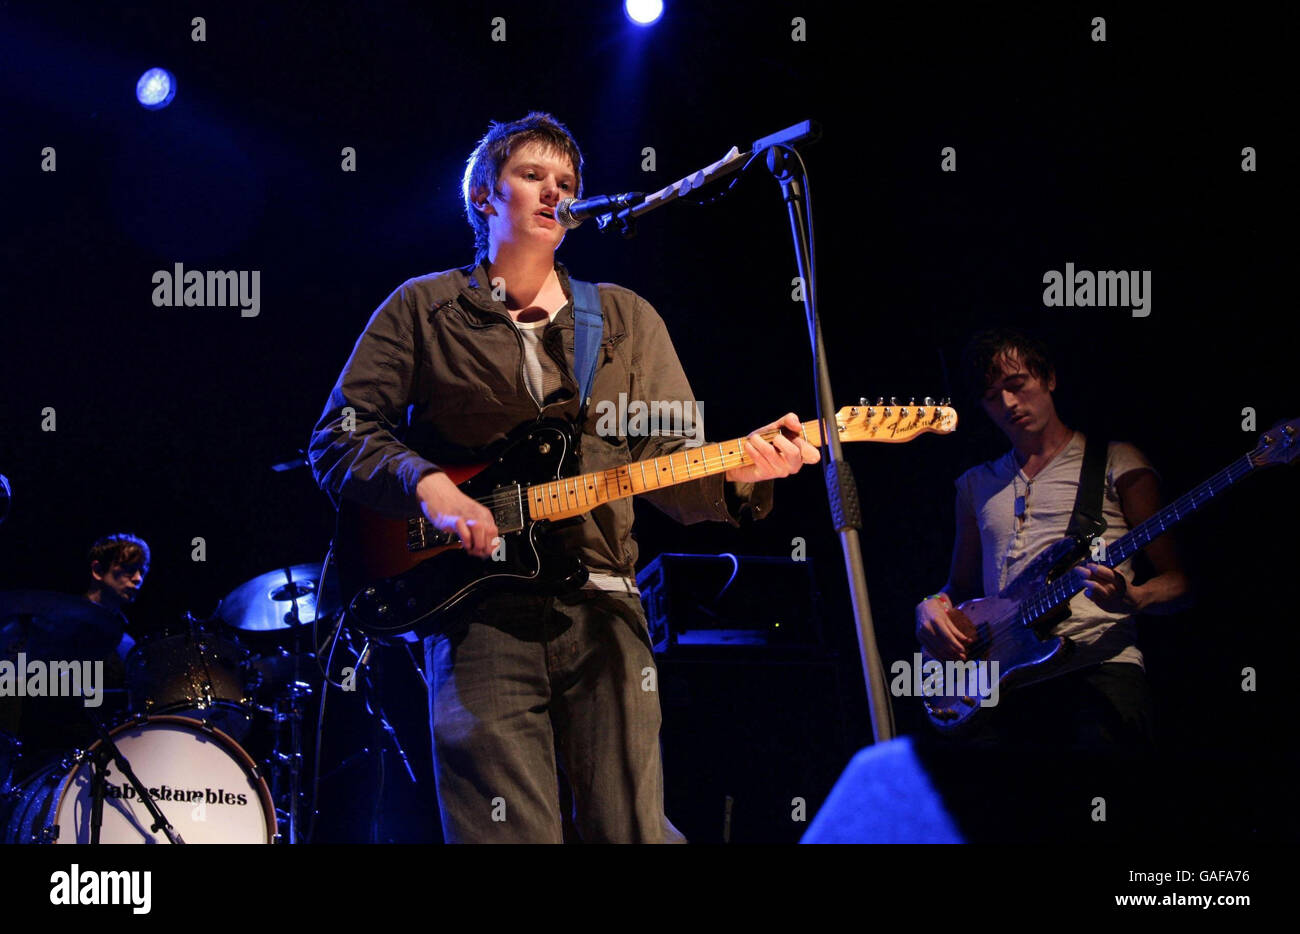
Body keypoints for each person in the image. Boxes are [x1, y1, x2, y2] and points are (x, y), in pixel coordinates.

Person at [308, 112, 819, 842]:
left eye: (568, 184)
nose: (555, 194)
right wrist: (431, 487)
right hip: (474, 617)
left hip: (606, 606)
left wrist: (744, 473)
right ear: (485, 196)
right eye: (533, 177)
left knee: (629, 832)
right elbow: (339, 433)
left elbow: (669, 472)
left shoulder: (626, 319)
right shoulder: (422, 308)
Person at [914, 329, 1188, 747]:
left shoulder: (1117, 460)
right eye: (991, 396)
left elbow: (1182, 582)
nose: (1007, 403)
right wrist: (931, 606)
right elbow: (962, 588)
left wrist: (1136, 598)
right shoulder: (974, 485)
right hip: (1006, 683)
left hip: (1099, 672)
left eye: (1016, 385)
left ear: (1049, 379)